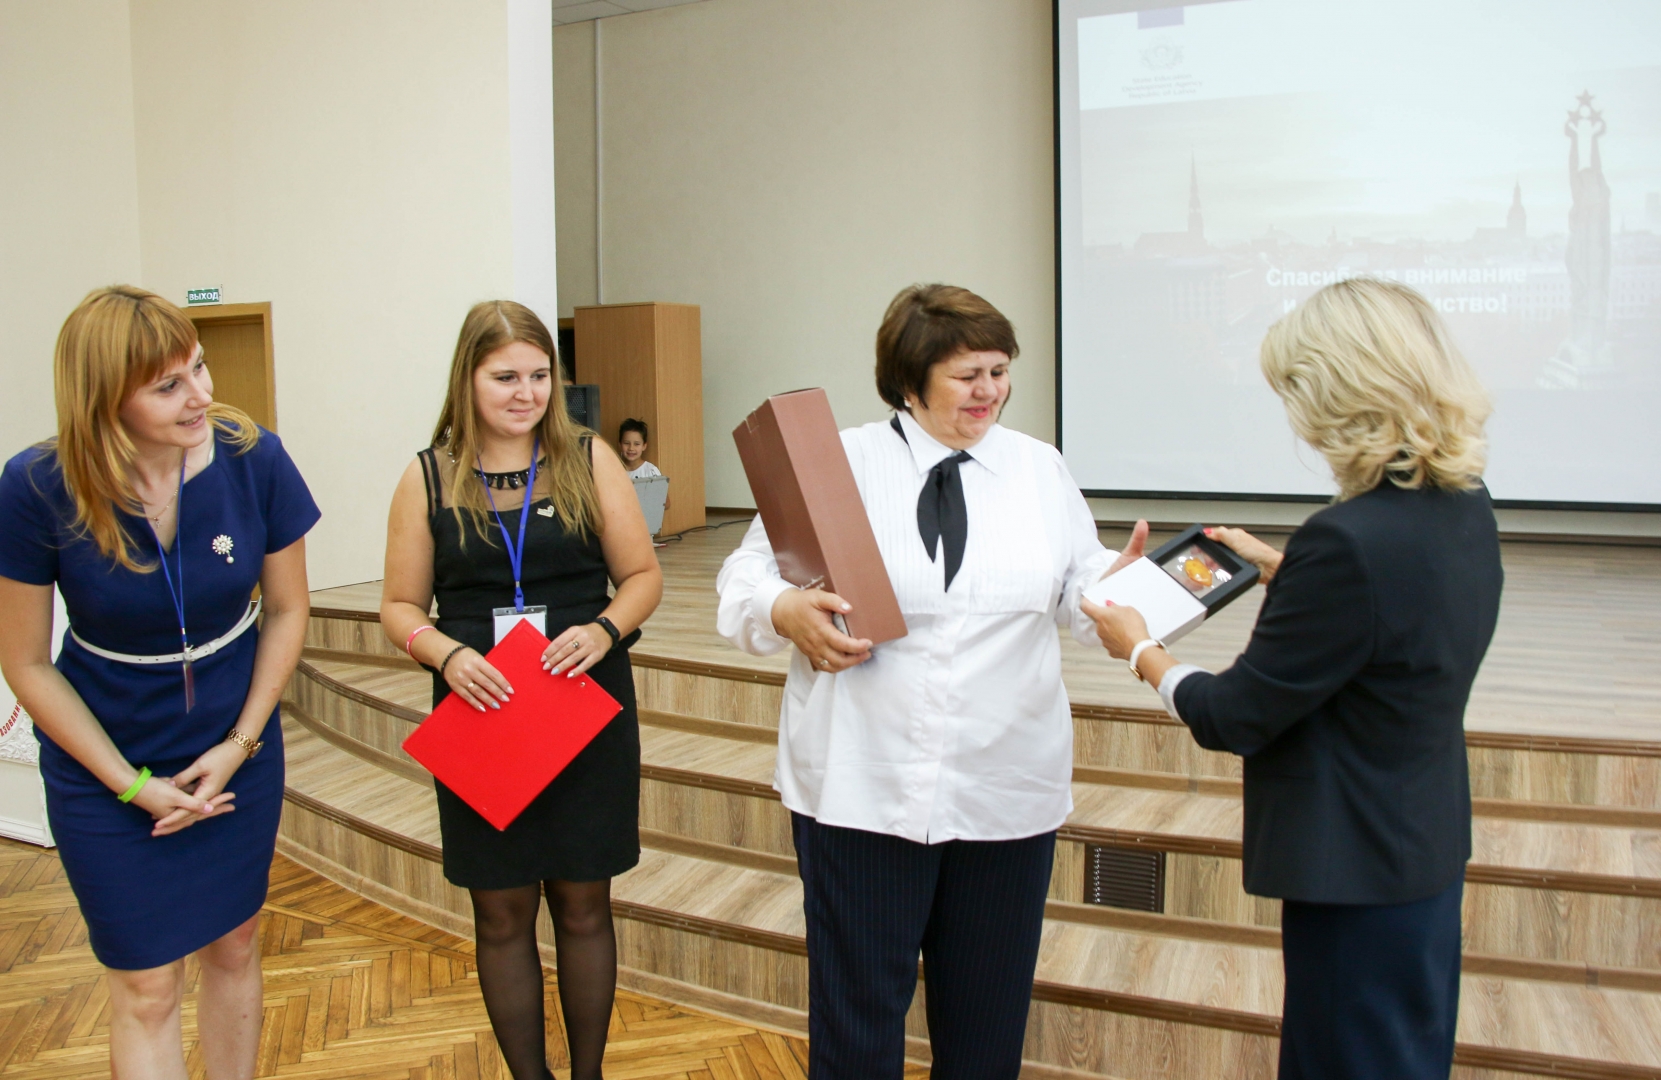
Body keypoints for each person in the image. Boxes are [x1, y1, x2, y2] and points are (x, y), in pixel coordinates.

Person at [716, 284, 1144, 1080]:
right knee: (855, 1027)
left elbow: (1076, 588)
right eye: (966, 376)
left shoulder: (1037, 468)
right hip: (861, 788)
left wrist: (1118, 590)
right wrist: (783, 610)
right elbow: (745, 579)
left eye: (999, 371)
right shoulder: (835, 462)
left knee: (985, 1025)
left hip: (1002, 788)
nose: (990, 392)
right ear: (908, 382)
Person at [1083, 278, 1502, 1080]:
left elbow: (1233, 715)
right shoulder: (1461, 504)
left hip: (1353, 871)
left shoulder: (1345, 542)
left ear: (1335, 395)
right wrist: (1288, 573)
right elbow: (1397, 626)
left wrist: (1140, 650)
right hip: (1420, 850)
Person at [0, 286, 319, 1078]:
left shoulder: (253, 457)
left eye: (199, 367)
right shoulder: (36, 486)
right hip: (104, 759)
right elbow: (26, 662)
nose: (201, 395)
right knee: (145, 985)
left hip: (234, 744)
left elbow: (287, 610)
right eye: (168, 385)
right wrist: (129, 784)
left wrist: (240, 744)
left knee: (235, 942)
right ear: (106, 399)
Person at [380, 300, 662, 1080]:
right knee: (501, 911)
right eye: (505, 376)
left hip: (581, 704)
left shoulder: (588, 458)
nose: (526, 393)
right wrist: (442, 654)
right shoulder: (427, 476)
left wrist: (604, 631)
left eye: (540, 376)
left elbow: (642, 576)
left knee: (584, 902)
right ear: (467, 379)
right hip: (481, 710)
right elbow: (398, 606)